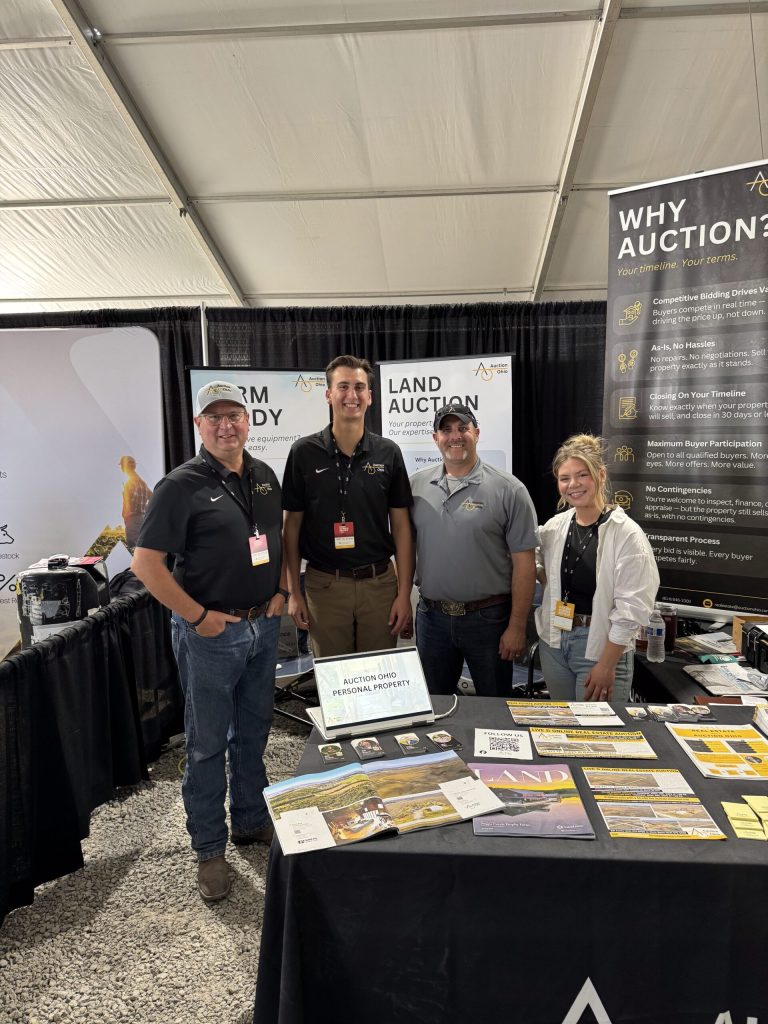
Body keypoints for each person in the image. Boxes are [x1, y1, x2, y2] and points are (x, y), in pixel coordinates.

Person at [132, 380, 288, 903]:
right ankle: (209, 849)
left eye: (234, 415)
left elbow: (275, 541)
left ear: (249, 421)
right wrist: (198, 618)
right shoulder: (180, 486)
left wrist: (283, 590)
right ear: (198, 425)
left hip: (263, 627)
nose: (226, 425)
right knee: (205, 743)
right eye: (214, 417)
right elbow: (145, 565)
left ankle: (249, 820)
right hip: (211, 636)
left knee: (254, 731)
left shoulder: (264, 475)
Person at [282, 355, 414, 658]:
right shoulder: (303, 452)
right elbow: (291, 527)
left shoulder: (388, 452)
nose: (351, 395)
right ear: (328, 394)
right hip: (325, 586)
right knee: (336, 684)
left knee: (379, 679)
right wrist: (293, 592)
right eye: (343, 387)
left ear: (369, 395)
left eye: (359, 387)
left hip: (379, 585)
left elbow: (403, 527)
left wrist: (404, 593)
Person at [410, 403, 538, 697]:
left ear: (476, 433)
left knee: (495, 707)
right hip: (432, 618)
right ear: (435, 438)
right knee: (434, 705)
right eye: (446, 430)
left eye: (463, 428)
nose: (455, 436)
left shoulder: (509, 489)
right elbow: (404, 549)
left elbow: (525, 564)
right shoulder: (416, 485)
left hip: (489, 621)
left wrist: (517, 626)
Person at [535, 433, 659, 703]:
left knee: (595, 736)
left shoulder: (625, 534)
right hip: (554, 643)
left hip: (600, 647)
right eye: (564, 478)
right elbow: (537, 565)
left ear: (600, 475)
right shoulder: (555, 527)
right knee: (563, 728)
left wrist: (606, 665)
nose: (573, 485)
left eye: (582, 475)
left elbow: (633, 608)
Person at [119, 455, 153, 550]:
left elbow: (127, 503)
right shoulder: (142, 483)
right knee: (142, 547)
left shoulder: (129, 482)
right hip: (142, 519)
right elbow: (153, 498)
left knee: (134, 548)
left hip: (133, 519)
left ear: (122, 466)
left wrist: (127, 514)